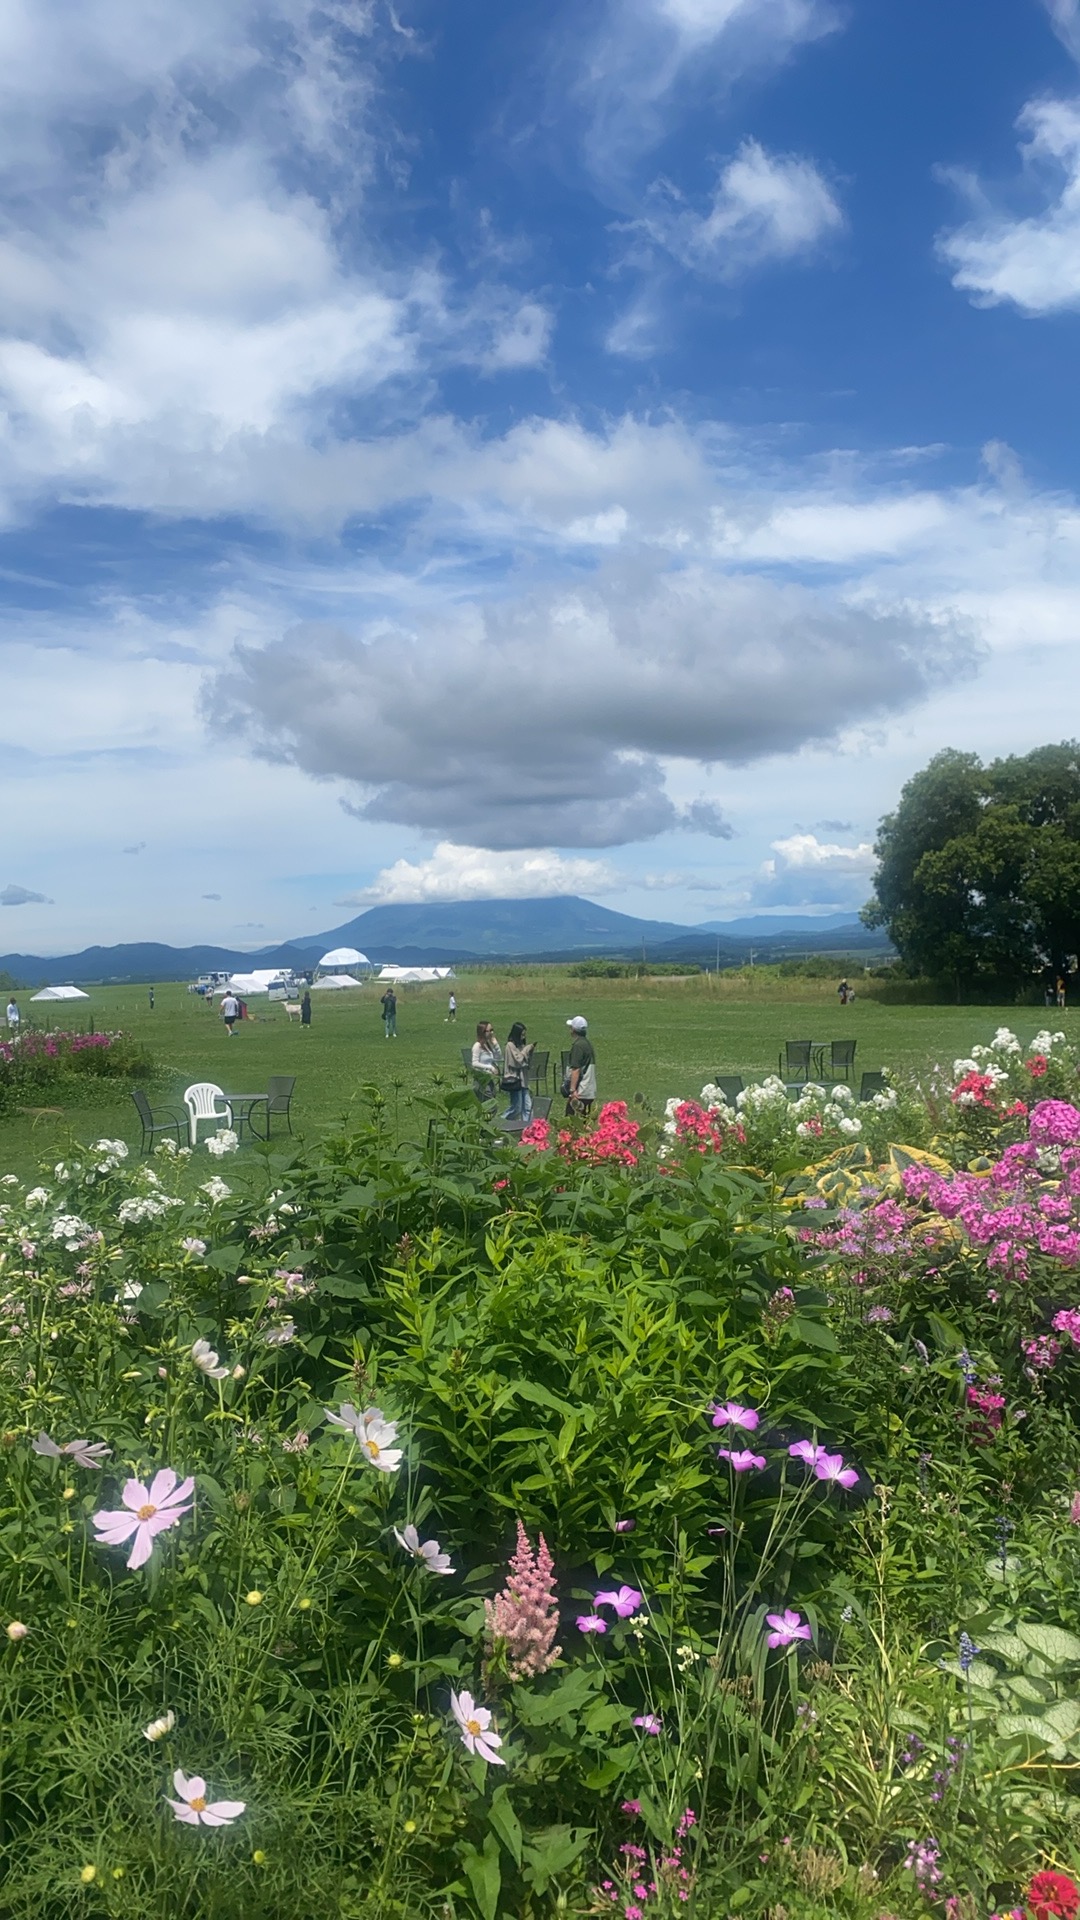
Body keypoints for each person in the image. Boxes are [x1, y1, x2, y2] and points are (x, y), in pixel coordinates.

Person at [501, 1021, 535, 1126]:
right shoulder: (510, 1046)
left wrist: (529, 1053)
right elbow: (518, 1061)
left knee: (528, 1107)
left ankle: (526, 1129)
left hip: (523, 1081)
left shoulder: (521, 1046)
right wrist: (526, 1050)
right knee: (516, 1107)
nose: (523, 1037)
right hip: (515, 1080)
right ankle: (500, 1121)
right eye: (522, 1034)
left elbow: (526, 1063)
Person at [564, 1015, 597, 1116]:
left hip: (581, 1091)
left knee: (571, 1120)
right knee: (584, 1120)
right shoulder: (587, 1044)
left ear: (573, 1030)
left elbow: (576, 1069)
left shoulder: (578, 1046)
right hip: (589, 1090)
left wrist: (572, 1090)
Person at [470, 1020, 502, 1100]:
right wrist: (490, 1067)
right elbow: (474, 1063)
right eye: (489, 1031)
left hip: (489, 1078)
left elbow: (498, 1058)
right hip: (481, 1080)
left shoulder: (487, 1045)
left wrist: (496, 1045)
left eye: (492, 1030)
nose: (491, 1033)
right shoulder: (477, 1046)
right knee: (490, 1104)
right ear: (482, 1032)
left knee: (492, 1099)